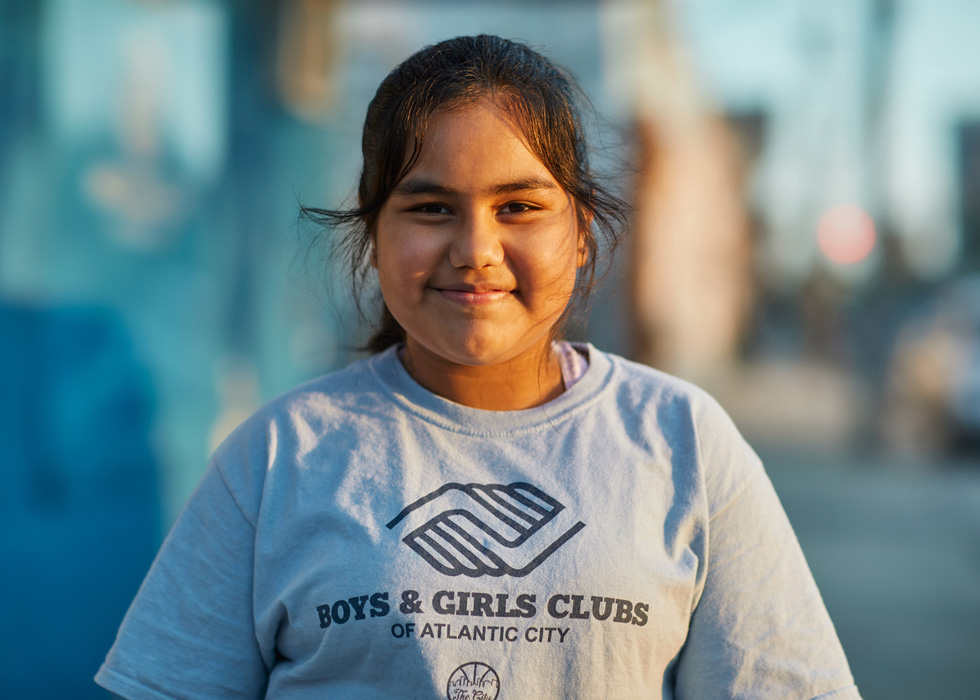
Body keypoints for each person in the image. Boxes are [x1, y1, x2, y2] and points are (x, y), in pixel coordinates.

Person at [96, 35, 861, 700]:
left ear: (582, 232)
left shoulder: (683, 442)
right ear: (373, 231)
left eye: (519, 207)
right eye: (430, 208)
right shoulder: (277, 456)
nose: (475, 249)